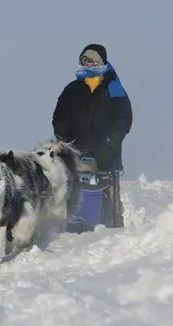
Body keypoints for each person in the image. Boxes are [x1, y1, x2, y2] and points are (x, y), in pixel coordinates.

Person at [52, 43, 133, 227]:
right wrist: (66, 144)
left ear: (101, 63)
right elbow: (59, 119)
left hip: (107, 154)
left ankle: (110, 227)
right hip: (76, 154)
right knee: (73, 192)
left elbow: (123, 120)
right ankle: (73, 226)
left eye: (93, 61)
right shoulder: (71, 90)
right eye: (84, 61)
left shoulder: (114, 89)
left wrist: (110, 146)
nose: (88, 65)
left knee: (107, 197)